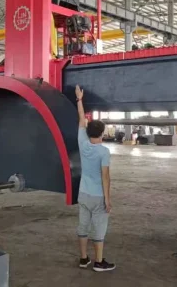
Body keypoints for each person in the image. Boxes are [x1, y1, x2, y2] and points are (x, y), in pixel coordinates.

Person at [75, 85, 116, 272]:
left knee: (83, 226)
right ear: (102, 133)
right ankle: (99, 262)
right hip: (98, 197)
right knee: (98, 229)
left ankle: (84, 259)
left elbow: (82, 120)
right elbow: (105, 177)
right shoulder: (104, 152)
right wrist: (108, 200)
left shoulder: (83, 143)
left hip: (83, 194)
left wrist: (79, 99)